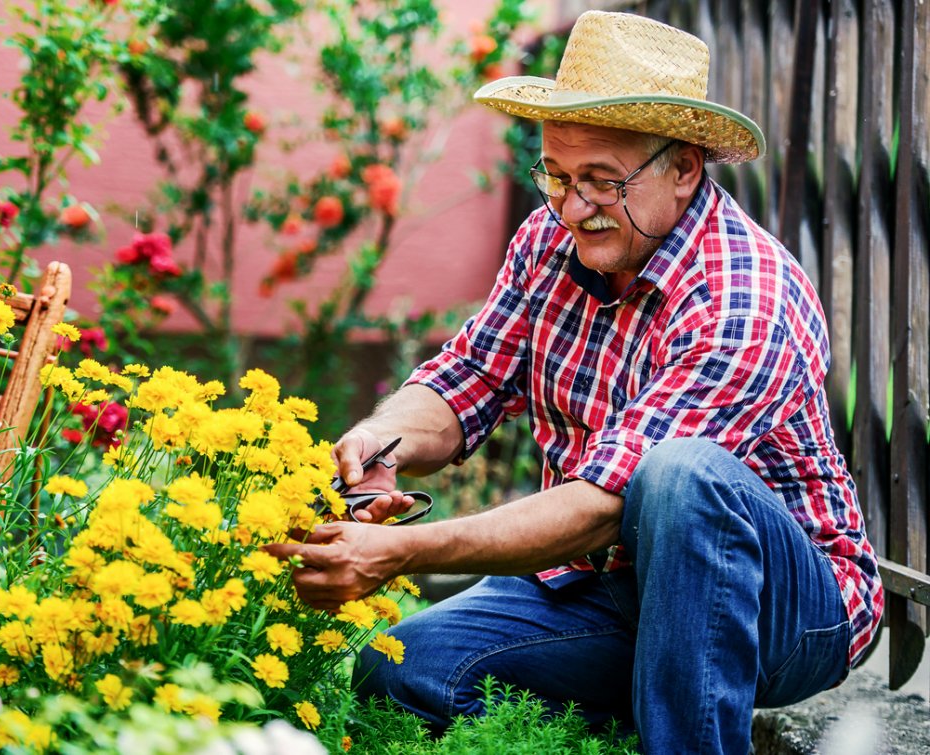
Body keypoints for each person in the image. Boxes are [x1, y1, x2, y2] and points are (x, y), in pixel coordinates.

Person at [264, 10, 883, 754]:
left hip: (785, 607)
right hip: (606, 582)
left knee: (683, 474)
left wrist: (402, 549)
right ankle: (644, 702)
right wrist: (375, 441)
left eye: (600, 181)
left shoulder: (743, 294)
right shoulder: (549, 240)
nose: (571, 206)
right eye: (556, 175)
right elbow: (466, 379)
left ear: (683, 168)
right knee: (397, 672)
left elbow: (601, 505)